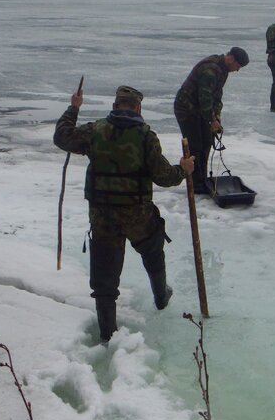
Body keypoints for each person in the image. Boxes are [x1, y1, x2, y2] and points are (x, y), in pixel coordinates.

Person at [54, 84, 195, 342]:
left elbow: (62, 137)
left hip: (103, 218)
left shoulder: (95, 130)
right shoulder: (145, 136)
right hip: (138, 215)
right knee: (153, 251)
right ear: (138, 108)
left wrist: (73, 108)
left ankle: (108, 335)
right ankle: (161, 296)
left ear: (115, 106)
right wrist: (184, 169)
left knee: (105, 282)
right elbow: (164, 177)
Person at [173, 47, 249, 193]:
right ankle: (196, 184)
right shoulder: (210, 70)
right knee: (195, 145)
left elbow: (216, 97)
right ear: (231, 59)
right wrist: (211, 120)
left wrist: (217, 117)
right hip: (186, 109)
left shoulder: (223, 69)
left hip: (200, 109)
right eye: (238, 66)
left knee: (207, 142)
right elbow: (205, 99)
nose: (237, 70)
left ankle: (202, 179)